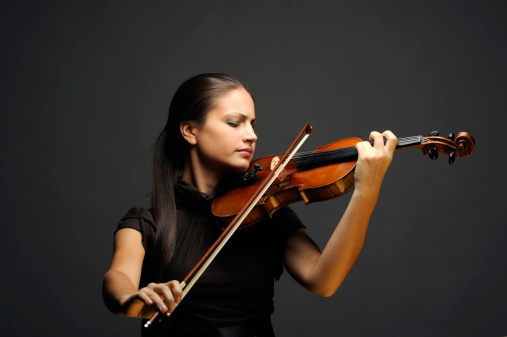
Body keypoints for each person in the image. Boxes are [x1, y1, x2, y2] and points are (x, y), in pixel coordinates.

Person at [102, 73, 397, 336]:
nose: (252, 135)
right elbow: (118, 280)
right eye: (234, 123)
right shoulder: (147, 219)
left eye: (253, 124)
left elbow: (324, 280)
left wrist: (366, 190)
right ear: (190, 131)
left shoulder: (264, 208)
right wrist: (137, 300)